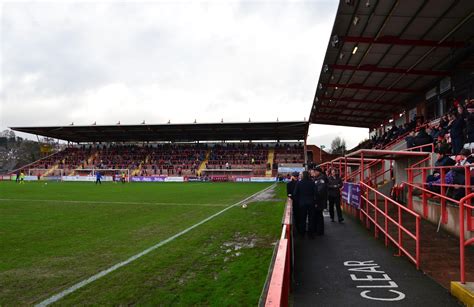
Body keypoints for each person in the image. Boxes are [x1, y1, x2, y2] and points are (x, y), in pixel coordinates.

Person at [293, 171, 316, 238]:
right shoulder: (312, 183)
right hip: (311, 203)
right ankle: (310, 234)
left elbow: (295, 194)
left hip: (302, 203)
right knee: (311, 219)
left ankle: (302, 234)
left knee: (302, 219)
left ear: (303, 176)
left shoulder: (299, 183)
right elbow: (316, 192)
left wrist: (299, 201)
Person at [313, 166, 328, 235]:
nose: (314, 173)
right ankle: (317, 229)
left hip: (319, 201)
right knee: (317, 215)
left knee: (319, 216)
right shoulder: (318, 178)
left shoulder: (321, 178)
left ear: (318, 171)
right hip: (318, 200)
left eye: (315, 171)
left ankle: (320, 231)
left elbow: (320, 190)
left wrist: (315, 197)